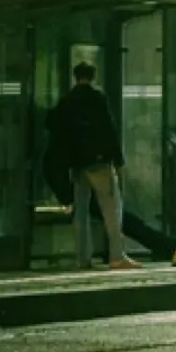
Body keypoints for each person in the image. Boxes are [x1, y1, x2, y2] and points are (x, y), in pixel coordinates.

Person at [45, 60, 134, 272]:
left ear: (76, 77)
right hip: (98, 161)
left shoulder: (67, 101)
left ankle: (83, 258)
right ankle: (117, 255)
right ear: (93, 77)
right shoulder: (96, 99)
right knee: (112, 209)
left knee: (81, 212)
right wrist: (118, 160)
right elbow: (108, 130)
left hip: (77, 164)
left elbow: (52, 124)